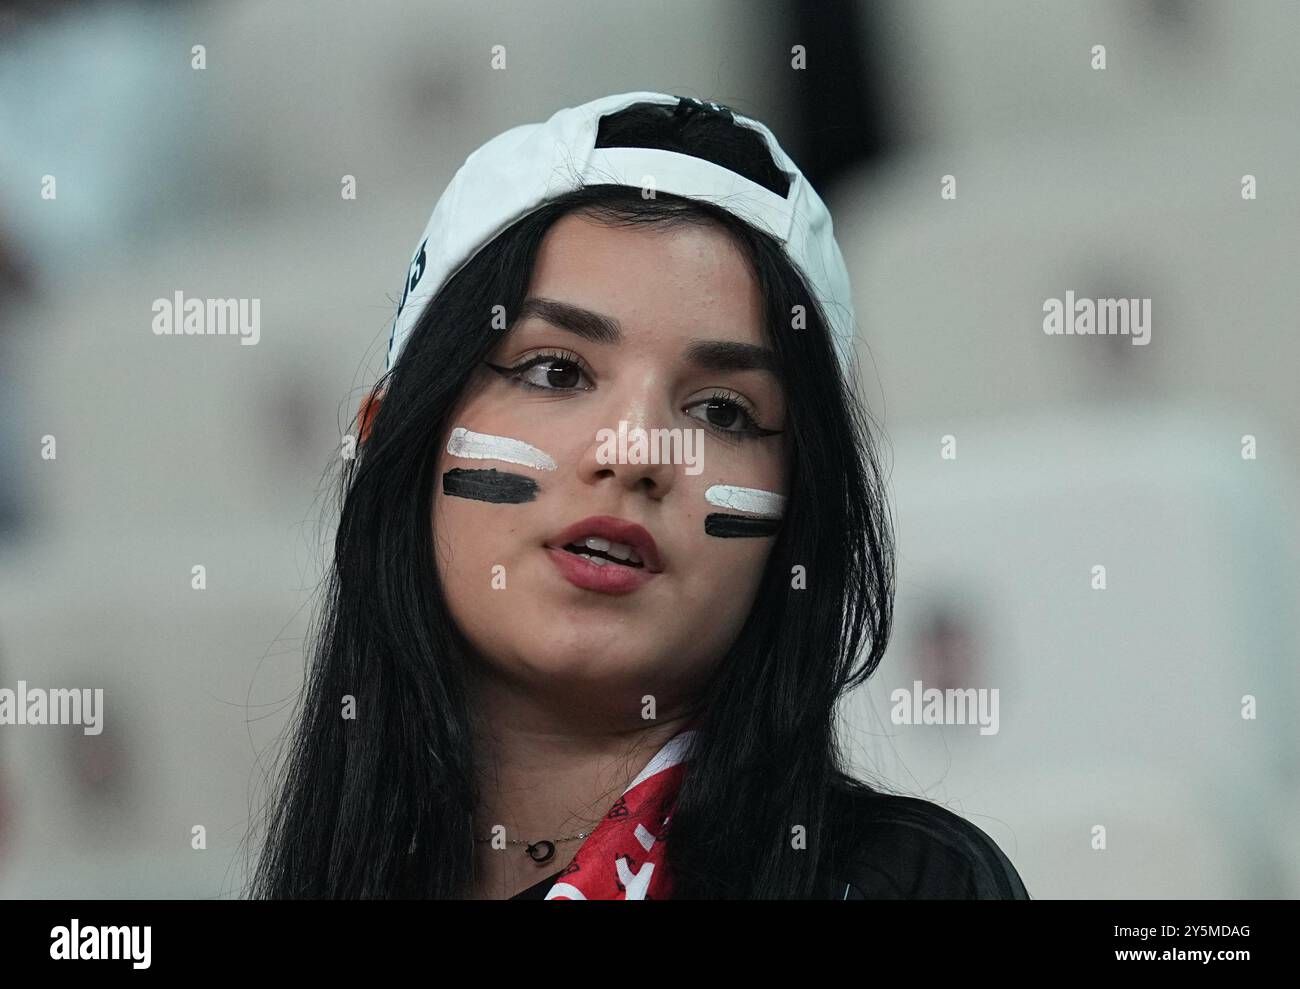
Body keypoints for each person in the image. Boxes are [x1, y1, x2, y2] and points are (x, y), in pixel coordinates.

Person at [249, 91, 1029, 900]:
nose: (635, 453)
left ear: (799, 522)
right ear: (386, 441)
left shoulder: (908, 884)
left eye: (723, 410)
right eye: (555, 370)